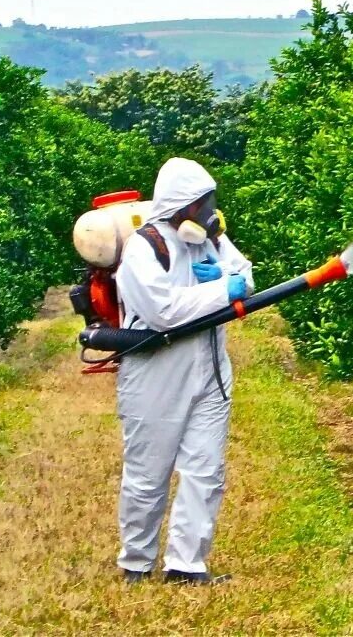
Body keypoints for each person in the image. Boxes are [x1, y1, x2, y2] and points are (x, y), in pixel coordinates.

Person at [114, 157, 254, 585]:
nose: (209, 211)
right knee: (148, 472)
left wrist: (229, 278)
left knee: (206, 470)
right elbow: (164, 312)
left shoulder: (209, 240)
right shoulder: (144, 247)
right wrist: (220, 290)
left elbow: (246, 278)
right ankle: (136, 562)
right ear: (181, 206)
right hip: (156, 372)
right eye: (202, 203)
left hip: (211, 368)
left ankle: (186, 565)